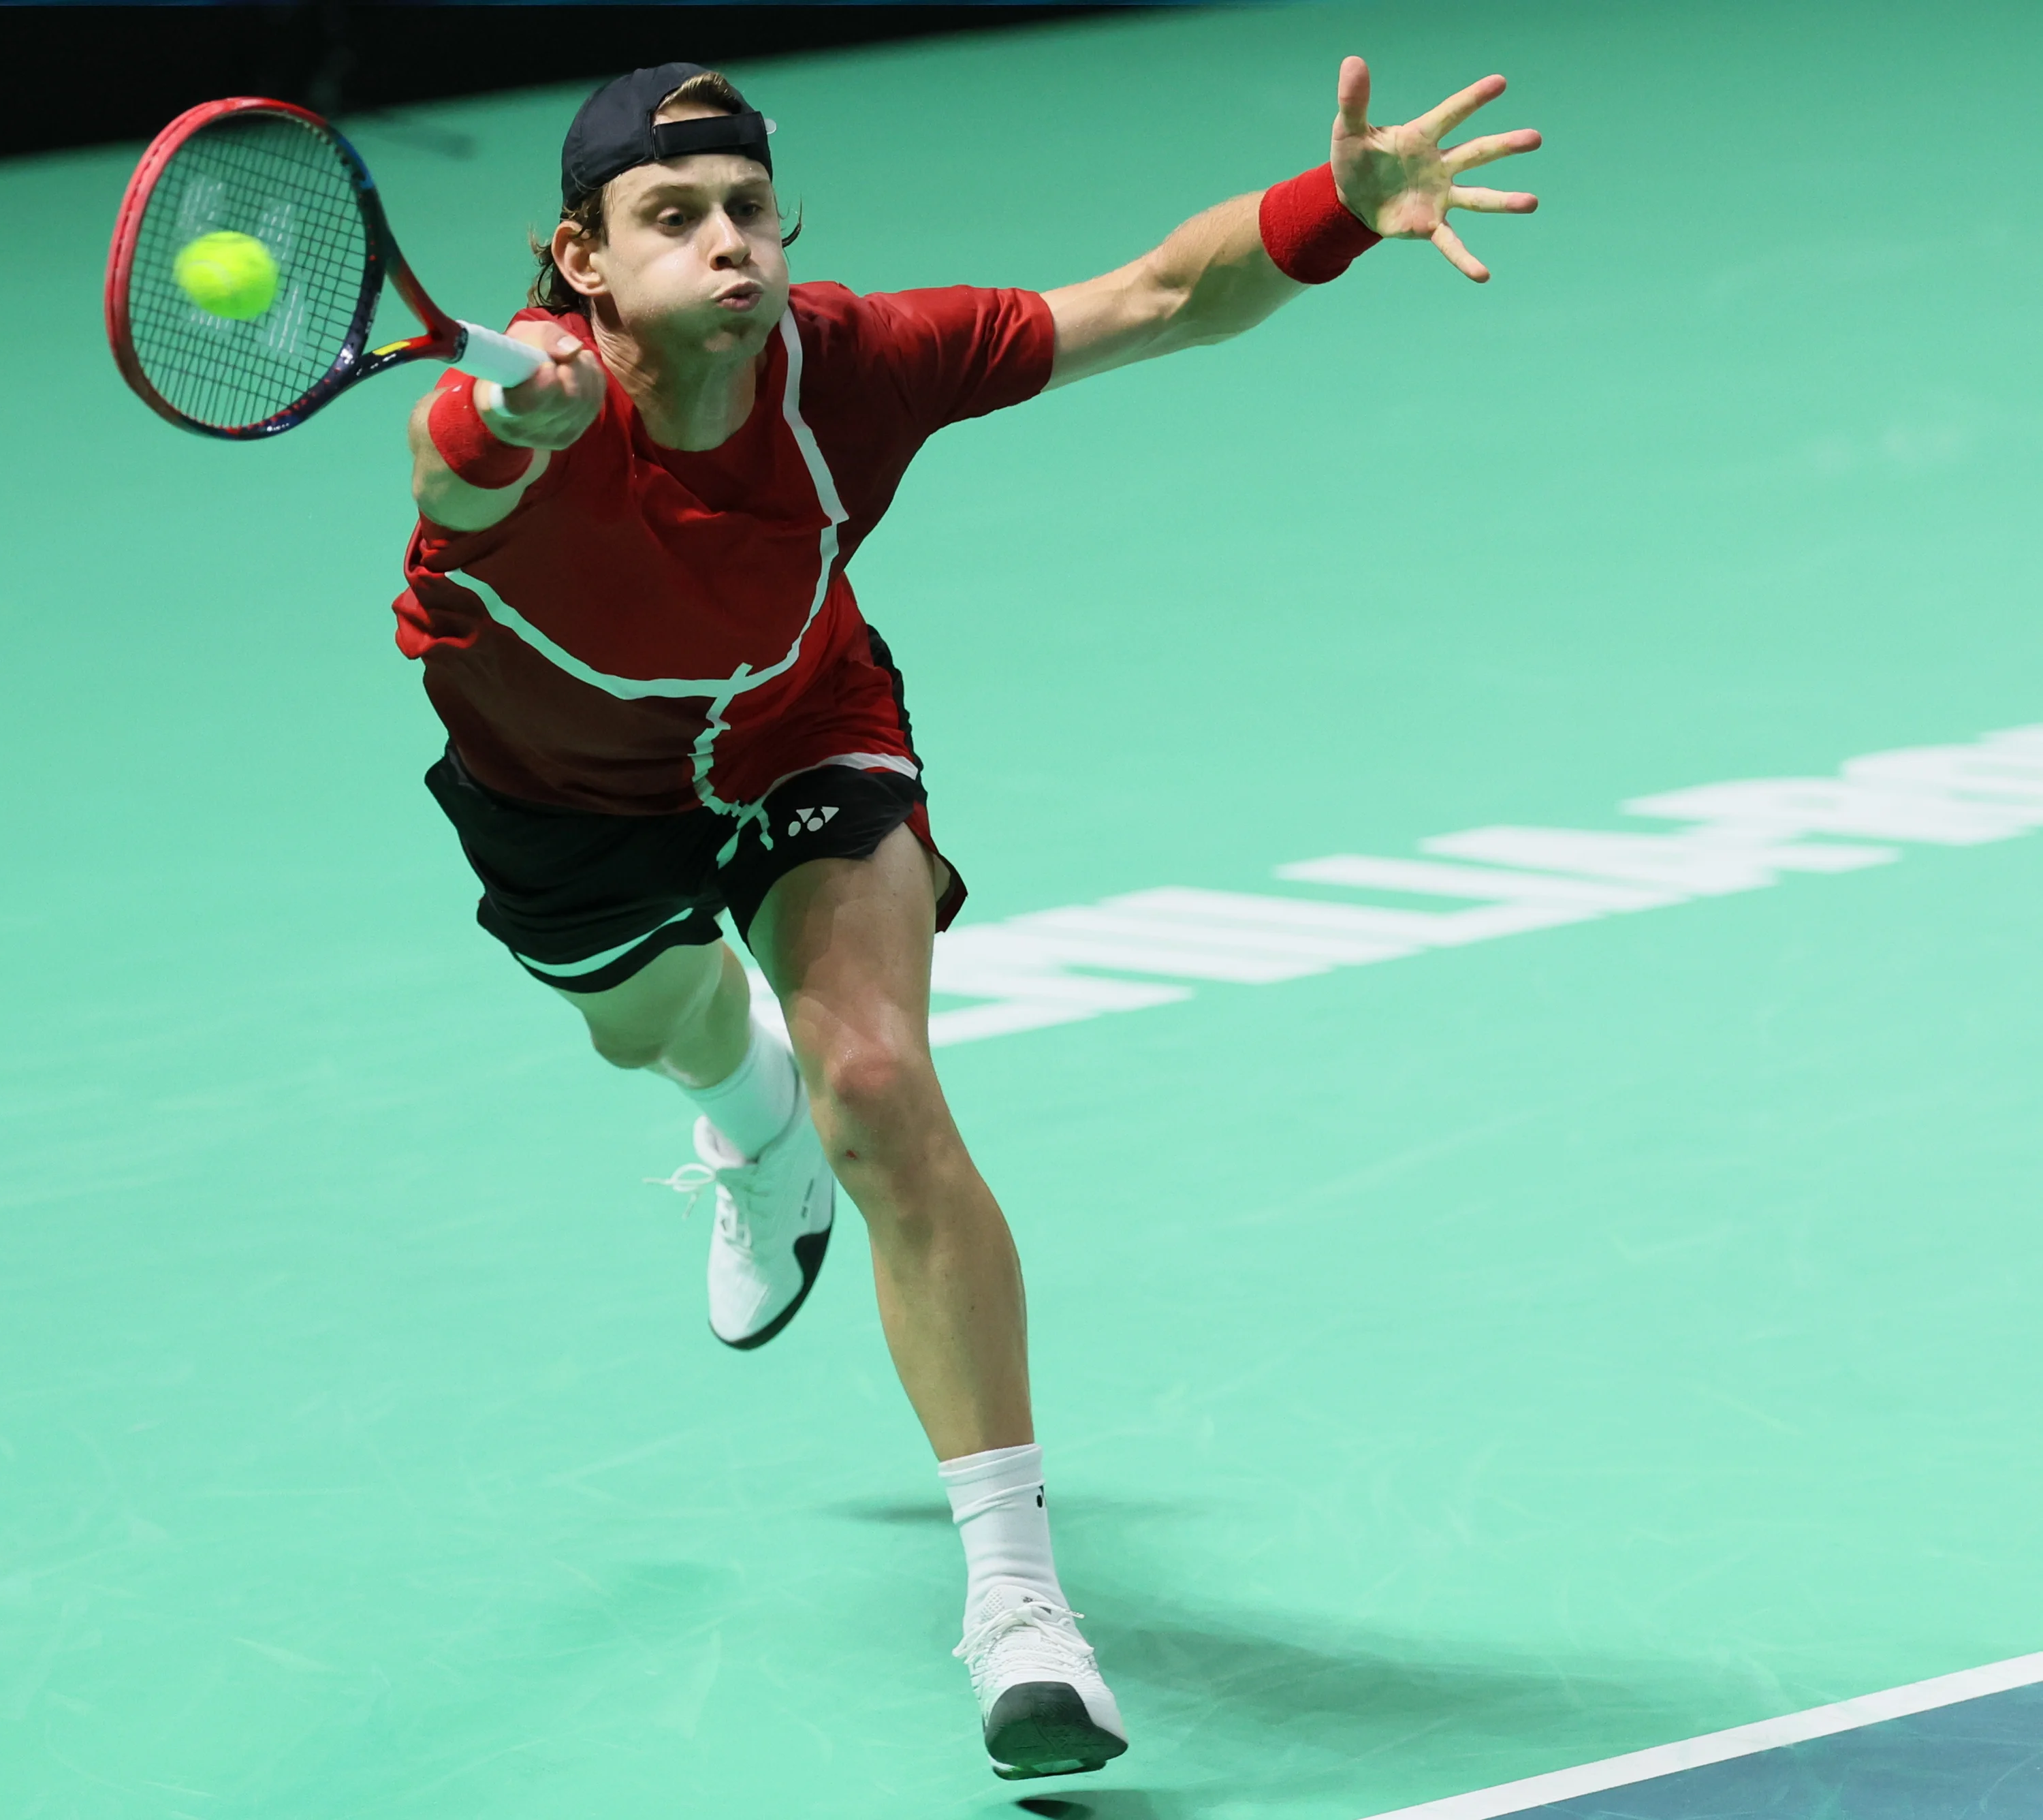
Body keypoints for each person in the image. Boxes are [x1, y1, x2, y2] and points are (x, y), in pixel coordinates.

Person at [393, 57, 1538, 1780]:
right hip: (564, 800)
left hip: (800, 728)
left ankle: (1016, 1606)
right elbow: (449, 482)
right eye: (672, 216)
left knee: (879, 1081)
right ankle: (738, 1117)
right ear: (579, 256)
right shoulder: (522, 418)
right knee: (663, 1026)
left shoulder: (847, 366)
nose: (728, 245)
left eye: (749, 211)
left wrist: (1335, 214)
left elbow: (1151, 297)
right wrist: (503, 423)